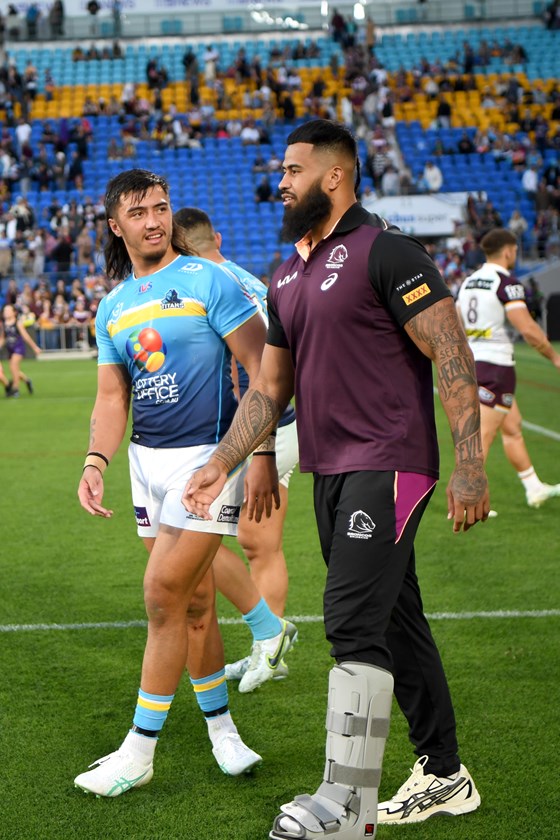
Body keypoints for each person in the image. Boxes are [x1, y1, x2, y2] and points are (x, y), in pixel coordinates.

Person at [183, 120, 489, 839]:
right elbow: (271, 385)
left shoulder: (388, 251)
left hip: (390, 462)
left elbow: (451, 352)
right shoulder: (288, 273)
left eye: (293, 170)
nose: (281, 183)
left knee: (350, 621)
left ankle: (347, 806)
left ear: (335, 175)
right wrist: (227, 459)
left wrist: (471, 465)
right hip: (330, 469)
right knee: (392, 617)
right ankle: (445, 773)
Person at [74, 168, 277, 797]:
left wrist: (256, 453)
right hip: (146, 466)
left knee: (162, 594)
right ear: (116, 226)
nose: (154, 221)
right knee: (193, 604)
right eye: (138, 213)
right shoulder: (113, 307)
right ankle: (223, 732)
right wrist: (96, 461)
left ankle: (138, 752)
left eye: (160, 208)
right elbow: (113, 397)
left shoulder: (207, 280)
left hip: (209, 462)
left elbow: (264, 370)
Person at [174, 206, 299, 691]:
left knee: (189, 531)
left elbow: (251, 374)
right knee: (259, 543)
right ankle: (269, 653)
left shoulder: (206, 285)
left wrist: (252, 447)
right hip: (291, 419)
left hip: (266, 428)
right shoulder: (247, 279)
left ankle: (269, 633)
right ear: (218, 238)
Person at [457, 228, 560, 508]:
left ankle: (534, 488)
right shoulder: (506, 283)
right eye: (514, 250)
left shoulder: (468, 281)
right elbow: (527, 329)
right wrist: (554, 358)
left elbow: (457, 319)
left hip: (475, 362)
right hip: (496, 367)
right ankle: (466, 504)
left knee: (512, 427)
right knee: (483, 437)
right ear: (508, 251)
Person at [1, 303, 41, 397]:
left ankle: (15, 389)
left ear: (14, 312)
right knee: (14, 369)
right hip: (10, 348)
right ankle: (27, 380)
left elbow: (25, 336)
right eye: (5, 311)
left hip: (18, 347)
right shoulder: (4, 324)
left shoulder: (17, 323)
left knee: (13, 366)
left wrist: (35, 347)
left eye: (8, 310)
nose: (6, 312)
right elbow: (3, 338)